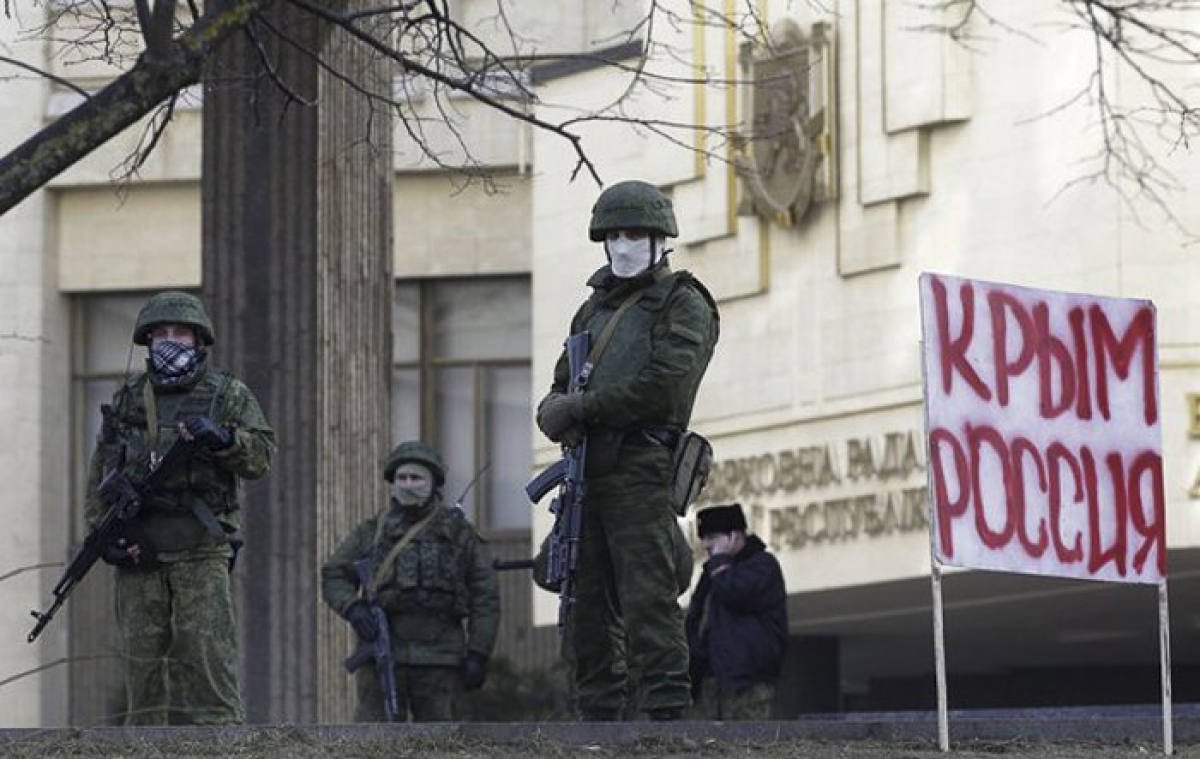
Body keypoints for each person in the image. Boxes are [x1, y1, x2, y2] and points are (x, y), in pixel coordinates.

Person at [535, 179, 720, 721]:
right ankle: (597, 717)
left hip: (642, 466)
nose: (623, 244)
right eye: (614, 234)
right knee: (585, 601)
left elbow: (666, 384)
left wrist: (582, 409)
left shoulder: (683, 302)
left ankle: (665, 716)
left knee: (648, 598)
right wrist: (552, 409)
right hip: (587, 470)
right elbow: (562, 383)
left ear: (661, 239)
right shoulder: (590, 312)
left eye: (635, 233)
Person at [84, 290, 276, 725]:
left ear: (199, 340)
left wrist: (224, 439)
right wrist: (102, 538)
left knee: (208, 662)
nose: (171, 342)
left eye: (181, 334)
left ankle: (221, 750)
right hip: (140, 552)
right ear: (147, 341)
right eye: (162, 334)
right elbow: (99, 476)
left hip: (200, 548)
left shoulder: (227, 394)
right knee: (143, 670)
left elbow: (262, 457)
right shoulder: (128, 400)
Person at [321, 441, 501, 722]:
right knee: (373, 743)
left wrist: (478, 652)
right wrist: (353, 608)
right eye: (401, 478)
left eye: (416, 478)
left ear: (432, 483)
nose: (408, 484)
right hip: (383, 652)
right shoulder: (373, 532)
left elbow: (485, 597)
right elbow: (334, 574)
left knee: (439, 744)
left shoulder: (460, 534)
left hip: (440, 659)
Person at [685, 502, 788, 720]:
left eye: (713, 537)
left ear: (734, 536)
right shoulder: (711, 574)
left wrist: (721, 563)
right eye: (703, 538)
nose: (706, 545)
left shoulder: (762, 566)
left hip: (748, 685)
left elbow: (734, 592)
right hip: (709, 685)